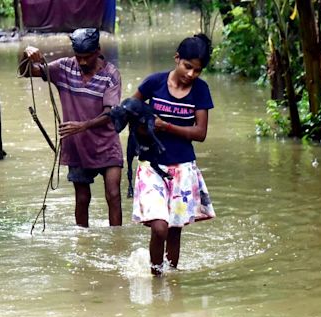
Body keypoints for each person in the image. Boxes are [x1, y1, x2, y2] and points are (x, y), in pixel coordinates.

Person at [20, 28, 123, 227]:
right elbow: (26, 72)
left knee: (114, 195)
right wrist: (26, 54)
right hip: (77, 146)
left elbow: (111, 113)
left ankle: (116, 245)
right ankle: (82, 244)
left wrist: (83, 125)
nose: (82, 62)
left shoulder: (111, 75)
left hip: (106, 145)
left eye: (87, 57)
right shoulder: (64, 68)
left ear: (98, 51)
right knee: (82, 198)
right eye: (79, 57)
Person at [131, 33, 216, 275]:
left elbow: (200, 133)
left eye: (197, 70)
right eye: (187, 66)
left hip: (183, 168)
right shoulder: (154, 83)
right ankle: (156, 277)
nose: (191, 74)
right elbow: (130, 108)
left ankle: (170, 281)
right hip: (151, 165)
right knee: (159, 228)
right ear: (176, 58)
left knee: (174, 230)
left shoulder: (200, 90)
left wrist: (166, 126)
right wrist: (140, 125)